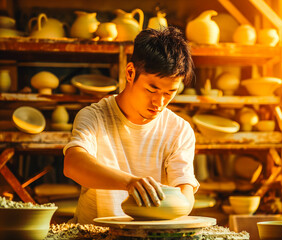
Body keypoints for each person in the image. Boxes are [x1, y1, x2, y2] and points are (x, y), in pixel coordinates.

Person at [63, 26, 199, 224]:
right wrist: (129, 183)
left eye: (169, 93)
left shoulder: (179, 130)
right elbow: (73, 164)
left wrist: (181, 205)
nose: (159, 103)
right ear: (130, 72)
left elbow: (185, 191)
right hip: (93, 234)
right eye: (152, 89)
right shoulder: (95, 117)